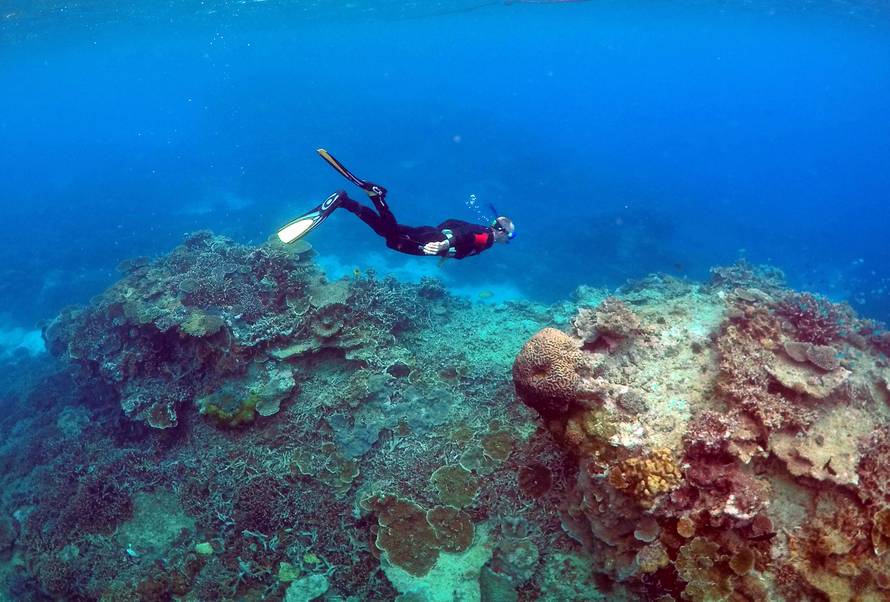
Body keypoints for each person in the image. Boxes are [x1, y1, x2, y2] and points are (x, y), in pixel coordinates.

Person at [276, 149, 515, 259]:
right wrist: (444, 243)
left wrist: (442, 236)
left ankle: (345, 202)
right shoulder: (488, 238)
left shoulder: (480, 228)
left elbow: (454, 223)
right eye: (511, 236)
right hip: (431, 240)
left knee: (386, 231)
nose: (509, 240)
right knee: (391, 238)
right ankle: (376, 197)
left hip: (430, 233)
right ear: (502, 231)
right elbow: (465, 236)